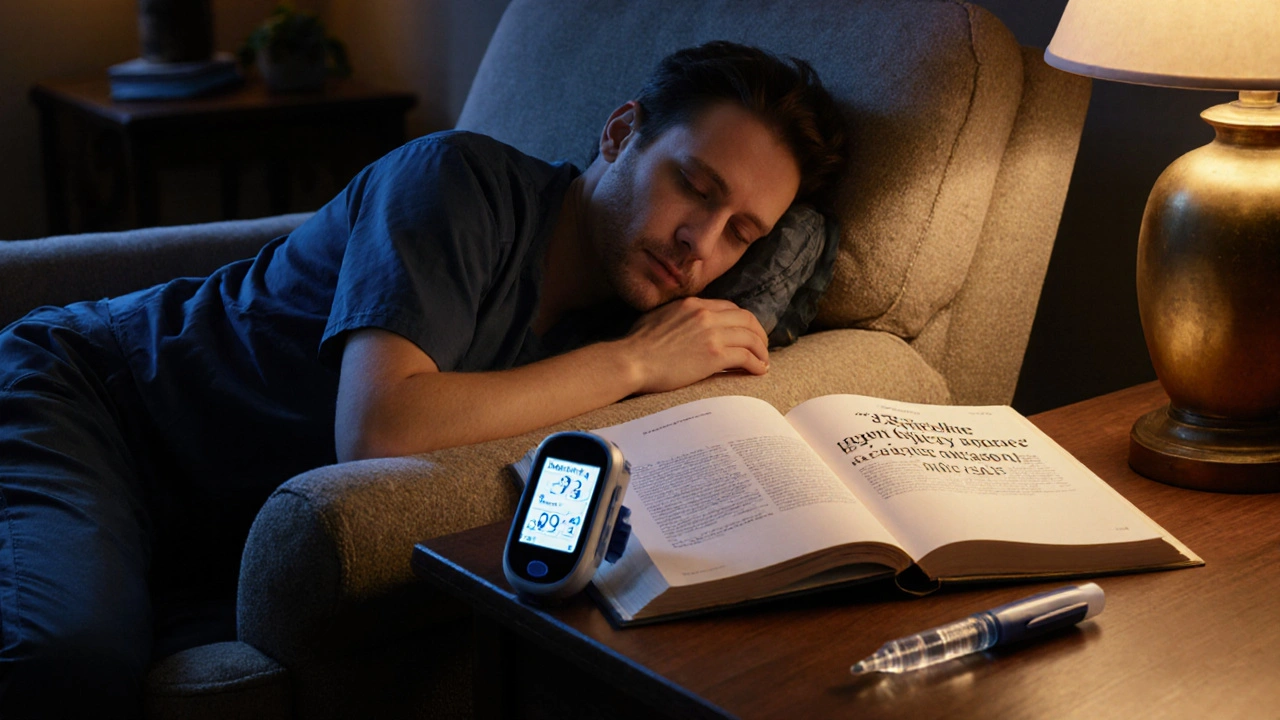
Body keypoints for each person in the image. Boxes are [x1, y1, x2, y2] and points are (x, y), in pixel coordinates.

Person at [0, 41, 846, 716]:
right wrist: (632, 364)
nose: (701, 242)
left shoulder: (631, 314)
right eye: (692, 185)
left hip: (220, 523)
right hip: (99, 401)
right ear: (620, 134)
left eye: (742, 232)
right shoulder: (456, 182)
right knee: (63, 661)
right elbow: (379, 433)